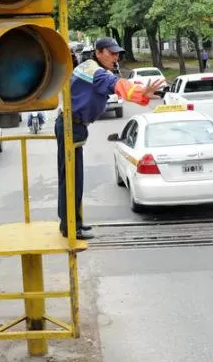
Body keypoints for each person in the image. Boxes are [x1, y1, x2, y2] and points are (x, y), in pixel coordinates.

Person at [56, 37, 165, 240]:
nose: (116, 57)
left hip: (73, 126)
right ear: (98, 52)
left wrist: (138, 95)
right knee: (72, 179)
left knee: (72, 178)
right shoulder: (95, 72)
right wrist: (141, 92)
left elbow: (113, 84)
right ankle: (71, 226)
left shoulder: (90, 68)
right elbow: (114, 84)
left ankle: (72, 223)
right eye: (111, 53)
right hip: (71, 126)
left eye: (118, 54)